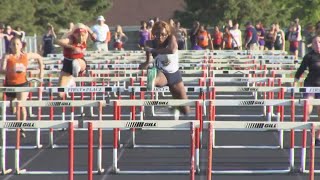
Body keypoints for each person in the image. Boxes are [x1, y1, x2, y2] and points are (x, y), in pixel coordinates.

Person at [139, 21, 190, 118]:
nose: (159, 37)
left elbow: (172, 50)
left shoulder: (171, 39)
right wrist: (146, 62)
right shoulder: (150, 43)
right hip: (163, 73)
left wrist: (154, 51)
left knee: (186, 110)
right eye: (157, 34)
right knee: (157, 78)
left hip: (175, 76)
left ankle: (176, 107)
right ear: (153, 34)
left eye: (162, 34)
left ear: (167, 33)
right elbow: (147, 50)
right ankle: (152, 78)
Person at [0, 37, 44, 137]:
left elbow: (39, 57)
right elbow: (1, 70)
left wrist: (41, 72)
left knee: (20, 105)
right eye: (13, 44)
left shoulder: (26, 56)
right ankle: (18, 122)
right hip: (10, 84)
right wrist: (10, 70)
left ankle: (21, 127)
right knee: (13, 108)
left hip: (22, 83)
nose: (15, 46)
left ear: (21, 45)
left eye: (17, 44)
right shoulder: (7, 56)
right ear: (10, 46)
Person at [56, 23, 96, 98]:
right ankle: (71, 80)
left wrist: (92, 33)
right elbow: (58, 41)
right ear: (74, 34)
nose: (81, 38)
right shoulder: (70, 39)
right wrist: (72, 48)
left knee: (78, 63)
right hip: (67, 63)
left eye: (82, 35)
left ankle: (76, 69)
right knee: (60, 93)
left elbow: (87, 27)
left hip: (80, 61)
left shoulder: (86, 35)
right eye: (78, 36)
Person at [294, 34, 320, 145]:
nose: (318, 45)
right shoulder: (309, 56)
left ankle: (318, 136)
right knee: (307, 108)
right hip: (310, 85)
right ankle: (307, 128)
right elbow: (301, 69)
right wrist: (295, 80)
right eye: (315, 43)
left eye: (319, 42)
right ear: (312, 45)